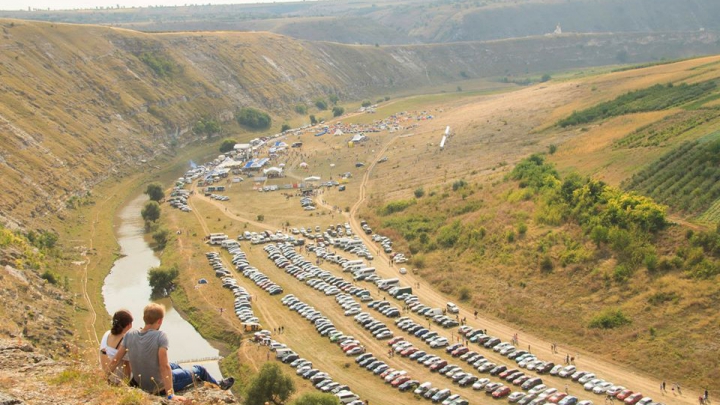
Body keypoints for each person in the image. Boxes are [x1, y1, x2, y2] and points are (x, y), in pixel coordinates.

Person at [107, 303, 234, 401]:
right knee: (200, 370)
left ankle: (183, 373)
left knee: (174, 365)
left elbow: (116, 359)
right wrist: (170, 395)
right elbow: (163, 366)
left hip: (140, 383)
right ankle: (219, 386)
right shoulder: (160, 336)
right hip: (159, 388)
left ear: (144, 318)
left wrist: (104, 376)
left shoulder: (130, 334)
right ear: (160, 321)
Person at [100, 309, 134, 384]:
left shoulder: (107, 334)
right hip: (118, 379)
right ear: (129, 325)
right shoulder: (125, 340)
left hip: (106, 372)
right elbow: (127, 366)